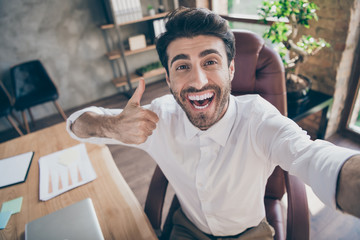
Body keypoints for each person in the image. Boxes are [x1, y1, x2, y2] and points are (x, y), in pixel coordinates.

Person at [67, 7, 360, 240]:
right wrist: (113, 127)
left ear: (231, 69)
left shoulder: (260, 119)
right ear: (168, 79)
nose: (198, 81)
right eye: (182, 66)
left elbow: (313, 157)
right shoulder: (157, 117)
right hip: (187, 228)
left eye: (210, 62)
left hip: (251, 233)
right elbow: (75, 123)